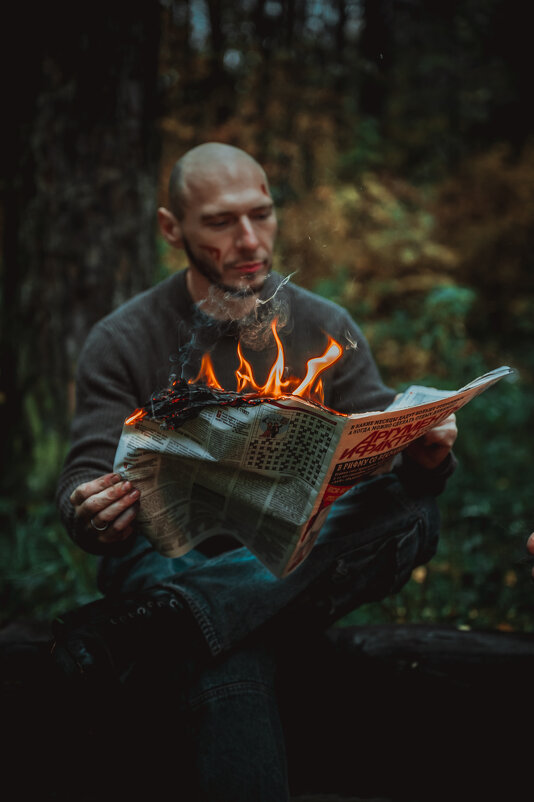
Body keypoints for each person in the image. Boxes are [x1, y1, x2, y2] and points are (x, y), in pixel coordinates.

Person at [53, 142, 457, 800]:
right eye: (220, 222)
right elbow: (83, 481)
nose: (249, 240)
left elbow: (391, 454)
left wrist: (427, 452)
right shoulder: (123, 338)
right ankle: (191, 613)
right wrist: (88, 508)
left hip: (296, 552)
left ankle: (169, 620)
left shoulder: (326, 326)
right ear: (171, 228)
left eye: (262, 215)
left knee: (412, 509)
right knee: (225, 647)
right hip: (170, 560)